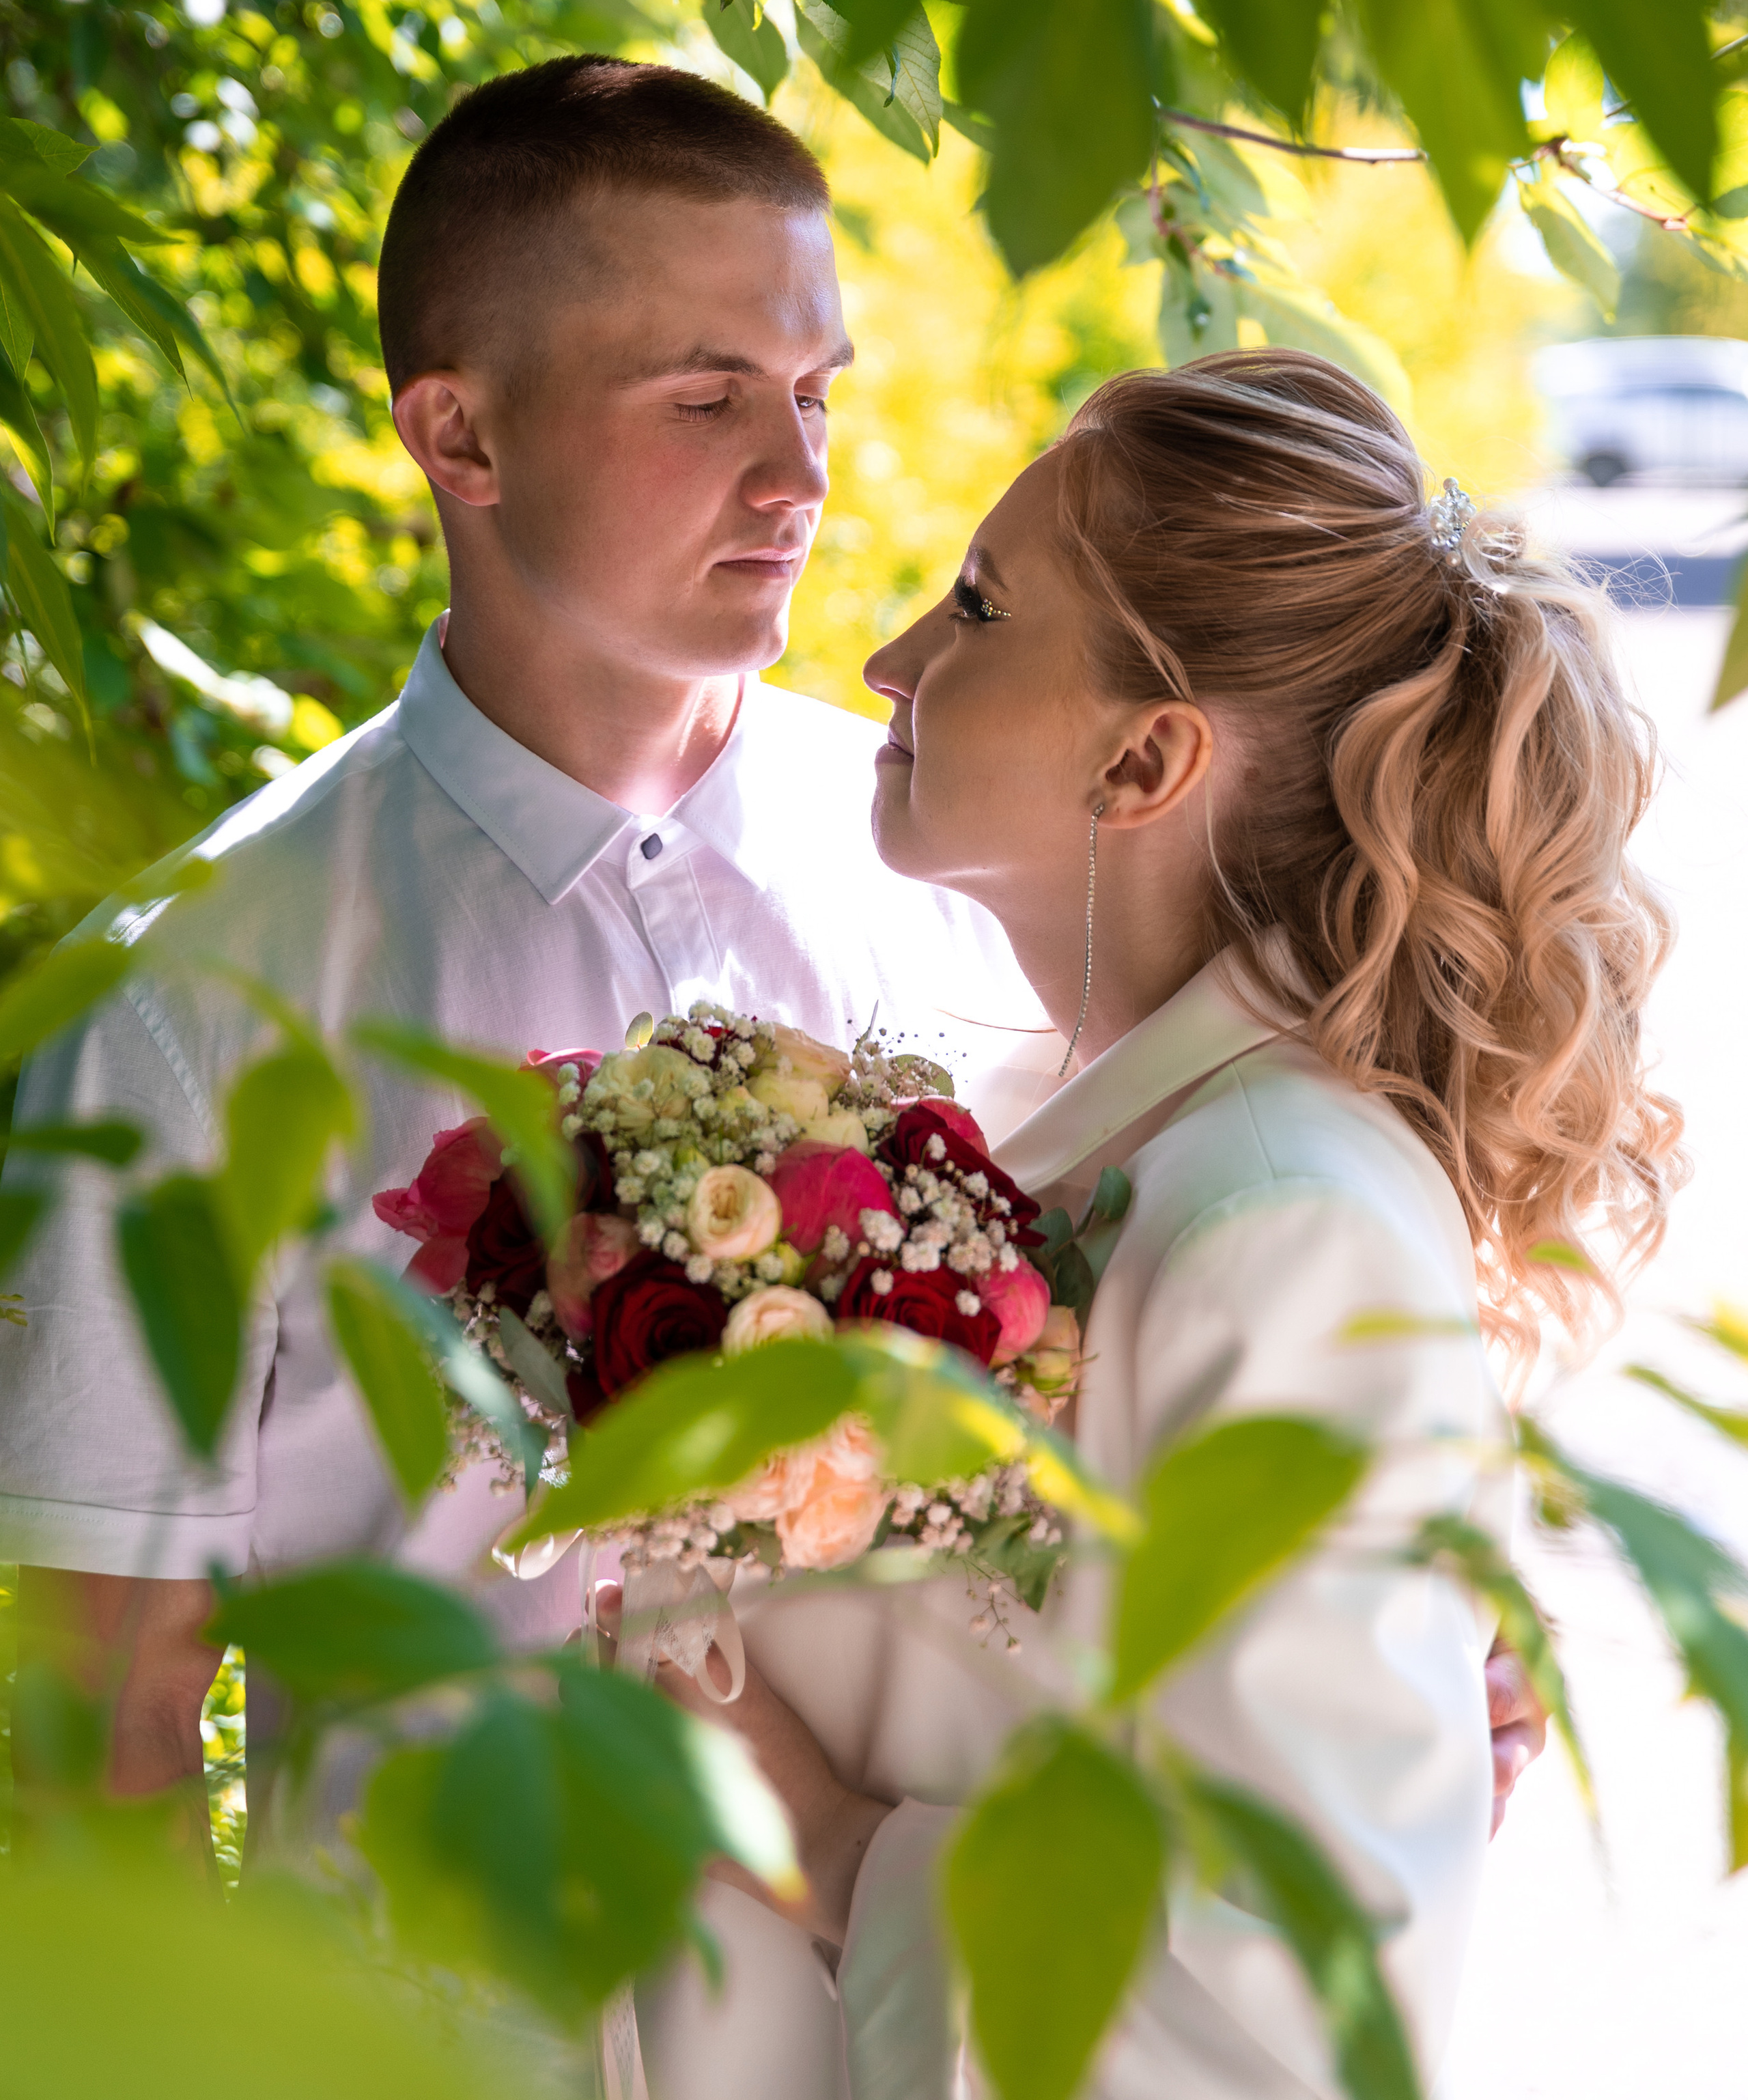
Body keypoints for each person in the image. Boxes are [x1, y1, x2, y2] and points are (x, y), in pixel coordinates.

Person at [625, 352, 1679, 2100]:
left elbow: (1271, 2025)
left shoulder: (1282, 1232)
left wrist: (811, 1833)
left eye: (977, 607)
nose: (890, 658)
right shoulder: (1035, 1114)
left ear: (1142, 758)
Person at [0, 55, 1043, 1810]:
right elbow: (108, 1738)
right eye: (706, 399)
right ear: (459, 437)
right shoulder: (190, 1002)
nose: (795, 473)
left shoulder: (966, 877)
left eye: (813, 392)